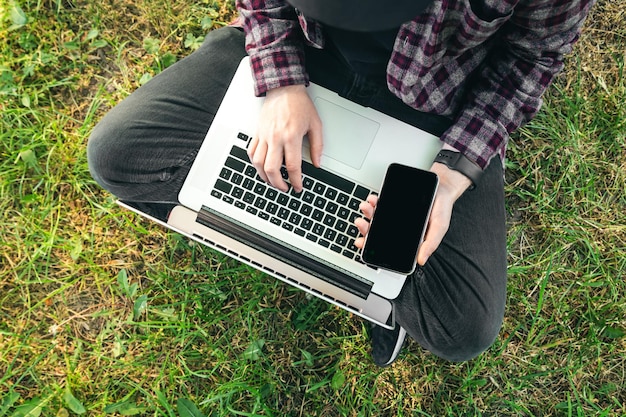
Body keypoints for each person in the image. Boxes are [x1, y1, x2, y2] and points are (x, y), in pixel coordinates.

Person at [87, 0, 595, 366]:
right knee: (116, 156)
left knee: (463, 327)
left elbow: (530, 62)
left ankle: (374, 289)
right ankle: (327, 258)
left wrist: (450, 177)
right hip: (306, 53)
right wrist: (282, 81)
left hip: (441, 109)